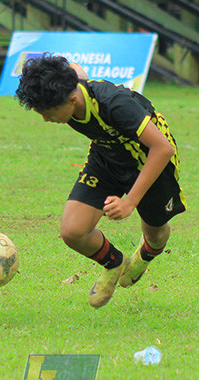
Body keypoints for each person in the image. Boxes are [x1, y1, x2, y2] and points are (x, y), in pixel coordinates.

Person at [14, 55, 186, 308]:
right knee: (72, 231)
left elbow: (162, 149)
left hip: (149, 162)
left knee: (156, 233)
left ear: (72, 99)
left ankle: (145, 253)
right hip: (106, 159)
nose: (46, 120)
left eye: (49, 113)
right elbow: (73, 67)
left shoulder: (115, 104)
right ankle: (114, 263)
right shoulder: (71, 87)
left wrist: (130, 202)